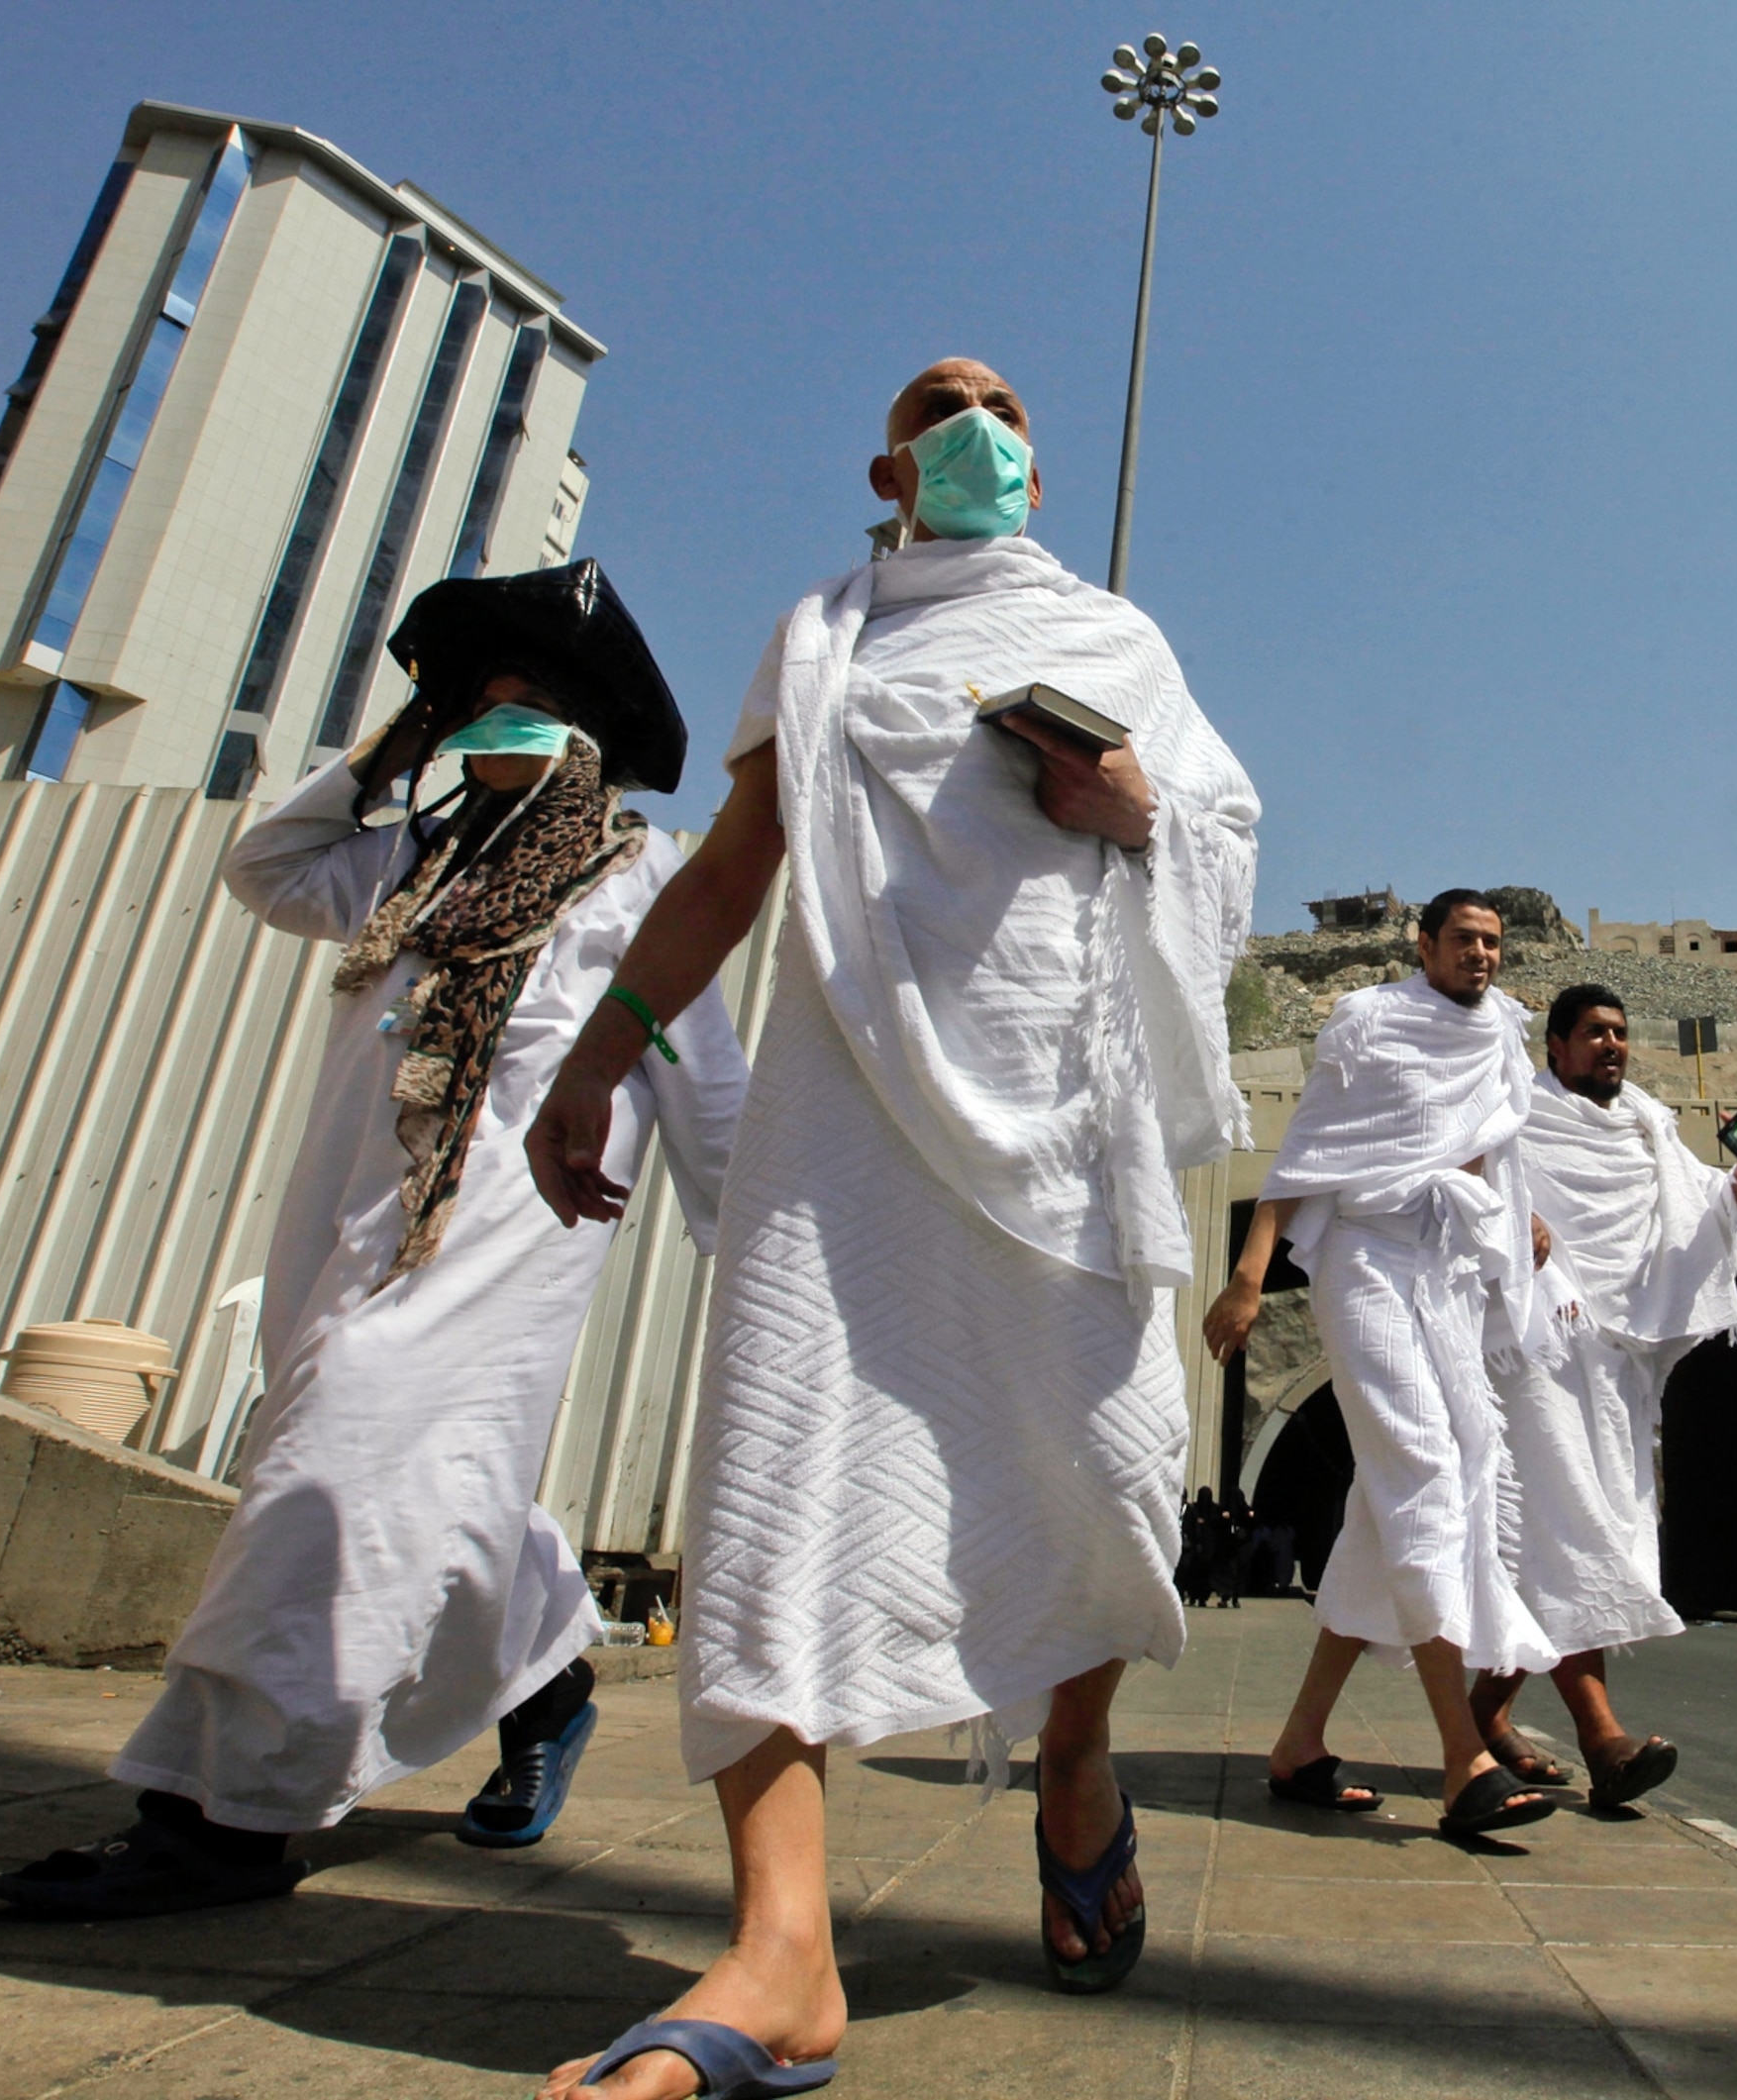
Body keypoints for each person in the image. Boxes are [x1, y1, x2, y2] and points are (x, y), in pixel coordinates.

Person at [523, 358, 1259, 2100]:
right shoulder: (820, 635)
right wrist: (597, 1055)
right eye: (946, 402)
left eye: (1005, 404)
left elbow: (1213, 830)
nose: (983, 423)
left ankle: (1073, 1761)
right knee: (780, 1469)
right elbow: (735, 863)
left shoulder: (1112, 634)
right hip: (844, 1101)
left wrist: (1127, 809)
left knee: (1098, 1466)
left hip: (1057, 1105)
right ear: (890, 460)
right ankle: (781, 1954)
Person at [0, 563, 749, 1919]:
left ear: (591, 744)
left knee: (335, 1477)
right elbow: (265, 867)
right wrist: (403, 738)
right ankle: (551, 1673)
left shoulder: (639, 878)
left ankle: (220, 1818)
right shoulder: (407, 866)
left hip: (508, 1239)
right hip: (354, 1223)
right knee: (410, 1483)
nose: (502, 731)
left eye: (535, 710)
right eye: (484, 708)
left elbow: (704, 1078)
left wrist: (765, 1257)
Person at [1202, 890, 1562, 1842]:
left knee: (1396, 1503)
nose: (1480, 954)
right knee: (1424, 1476)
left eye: (1492, 941)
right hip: (1363, 1260)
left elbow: (1481, 1156)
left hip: (1441, 1270)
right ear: (1424, 944)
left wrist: (1509, 1213)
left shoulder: (1500, 1041)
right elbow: (1309, 1152)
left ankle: (1300, 1742)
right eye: (1463, 939)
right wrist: (1248, 1278)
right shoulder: (1370, 1024)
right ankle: (1461, 1756)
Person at [1472, 985, 1737, 1813]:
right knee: (1571, 1529)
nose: (1612, 1045)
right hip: (1534, 1350)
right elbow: (1462, 1176)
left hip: (1618, 1373)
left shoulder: (1652, 1129)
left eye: (1621, 1033)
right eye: (1594, 1033)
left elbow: (1707, 1229)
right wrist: (1508, 1218)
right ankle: (1604, 1741)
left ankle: (1484, 1712)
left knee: (1571, 1535)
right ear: (1556, 1048)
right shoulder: (1516, 1115)